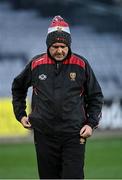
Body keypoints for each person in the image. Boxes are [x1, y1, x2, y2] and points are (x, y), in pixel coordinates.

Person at [12, 15, 103, 179]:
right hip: (44, 134)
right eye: (55, 46)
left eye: (63, 46)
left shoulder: (81, 64)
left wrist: (91, 124)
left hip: (74, 134)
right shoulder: (36, 64)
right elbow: (18, 88)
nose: (59, 50)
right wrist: (21, 114)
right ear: (48, 45)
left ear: (69, 45)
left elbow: (96, 96)